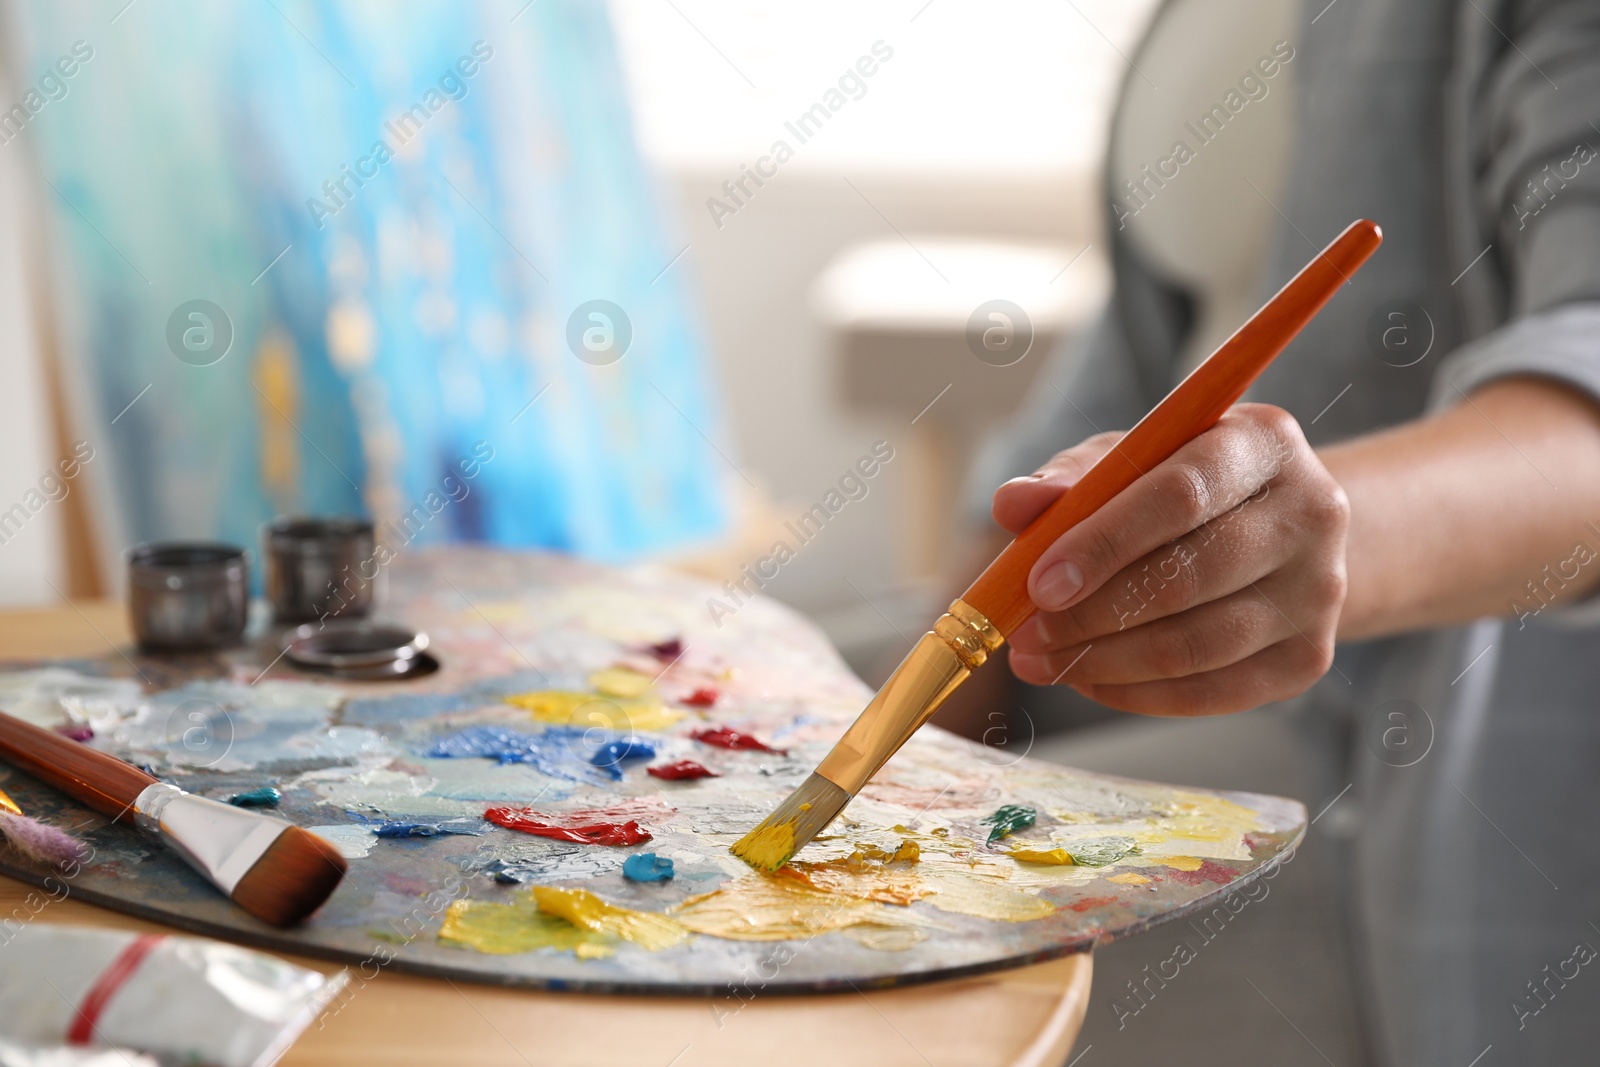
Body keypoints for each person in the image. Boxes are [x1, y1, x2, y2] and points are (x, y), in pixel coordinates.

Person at [940, 1, 1600, 1063]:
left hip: (1400, 763)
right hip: (1113, 662)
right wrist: (933, 672)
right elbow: (1126, 364)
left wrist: (1323, 542)